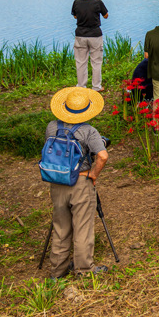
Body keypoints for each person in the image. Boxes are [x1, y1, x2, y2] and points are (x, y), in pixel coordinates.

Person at [45, 86, 109, 278]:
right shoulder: (89, 131)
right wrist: (93, 174)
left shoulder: (51, 127)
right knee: (82, 226)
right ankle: (84, 269)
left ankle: (57, 270)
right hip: (80, 182)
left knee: (61, 227)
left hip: (57, 182)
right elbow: (103, 156)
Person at [72, 0, 108, 92]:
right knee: (96, 62)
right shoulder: (98, 3)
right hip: (95, 35)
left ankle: (81, 86)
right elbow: (106, 16)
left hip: (80, 35)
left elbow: (75, 16)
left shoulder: (76, 2)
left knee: (81, 62)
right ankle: (96, 87)